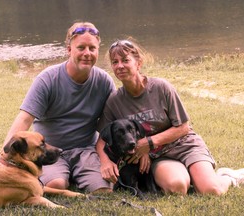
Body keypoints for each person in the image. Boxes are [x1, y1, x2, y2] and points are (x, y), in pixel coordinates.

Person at [0, 22, 116, 194]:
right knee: (56, 185)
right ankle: (63, 175)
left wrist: (107, 159)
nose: (87, 53)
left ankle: (80, 173)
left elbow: (113, 122)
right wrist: (0, 158)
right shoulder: (48, 79)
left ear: (97, 50)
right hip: (49, 151)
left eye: (92, 48)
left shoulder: (104, 81)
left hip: (86, 150)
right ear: (69, 50)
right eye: (81, 47)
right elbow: (24, 119)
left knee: (103, 190)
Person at [96, 38, 244, 195]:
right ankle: (191, 177)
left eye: (125, 60)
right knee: (176, 187)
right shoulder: (114, 101)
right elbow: (101, 139)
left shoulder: (161, 88)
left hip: (185, 146)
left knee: (212, 190)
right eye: (115, 62)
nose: (120, 66)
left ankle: (229, 176)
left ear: (138, 63)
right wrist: (105, 162)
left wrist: (149, 142)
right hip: (158, 156)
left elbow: (183, 127)